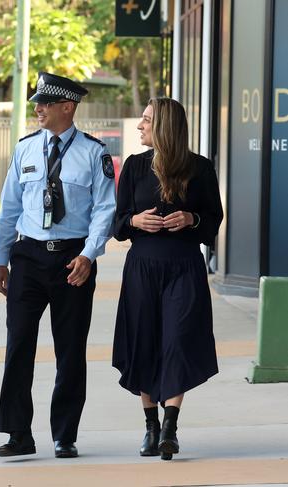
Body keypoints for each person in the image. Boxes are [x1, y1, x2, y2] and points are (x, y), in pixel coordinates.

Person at [0, 72, 116, 458]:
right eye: (36, 103)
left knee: (70, 349)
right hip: (28, 256)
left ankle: (65, 435)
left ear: (68, 106)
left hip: (73, 259)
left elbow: (105, 211)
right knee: (18, 347)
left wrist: (89, 254)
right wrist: (1, 258)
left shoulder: (95, 154)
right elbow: (9, 206)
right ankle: (18, 434)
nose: (37, 108)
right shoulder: (26, 149)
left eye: (44, 103)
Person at [112, 97, 223, 461]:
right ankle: (150, 426)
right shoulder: (134, 166)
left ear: (165, 127)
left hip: (184, 268)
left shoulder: (201, 169)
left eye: (146, 120)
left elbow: (212, 223)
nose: (140, 126)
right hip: (142, 267)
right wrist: (134, 221)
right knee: (144, 341)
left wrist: (191, 219)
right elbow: (117, 224)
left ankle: (170, 427)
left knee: (178, 341)